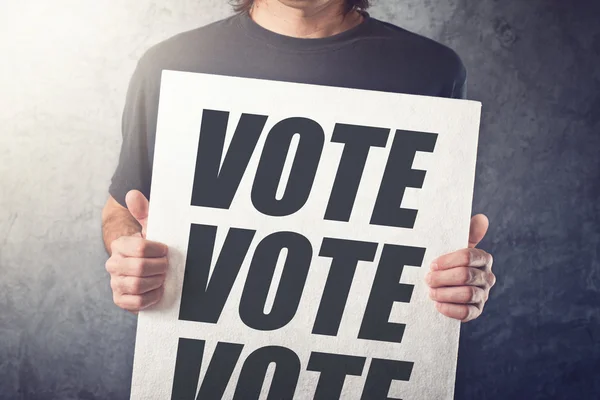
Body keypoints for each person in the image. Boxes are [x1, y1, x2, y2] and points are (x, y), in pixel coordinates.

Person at [102, 0, 496, 323]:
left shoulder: (432, 73)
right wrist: (130, 252)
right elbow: (123, 209)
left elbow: (430, 239)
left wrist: (459, 279)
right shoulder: (170, 66)